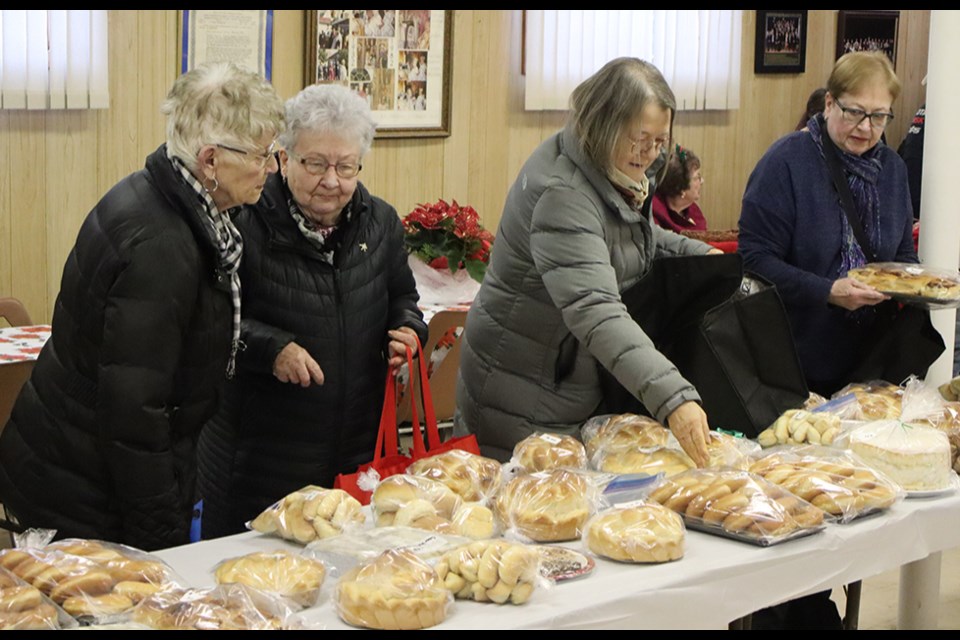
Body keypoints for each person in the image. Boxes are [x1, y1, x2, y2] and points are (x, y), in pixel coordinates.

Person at [0, 63, 285, 550]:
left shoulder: (164, 196)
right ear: (211, 160)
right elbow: (135, 413)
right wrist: (160, 540)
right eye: (262, 155)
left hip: (83, 463)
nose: (272, 168)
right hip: (83, 488)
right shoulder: (160, 248)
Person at [454, 57, 721, 468]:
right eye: (640, 139)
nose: (650, 153)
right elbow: (595, 309)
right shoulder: (564, 193)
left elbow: (635, 239)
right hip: (527, 386)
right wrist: (673, 396)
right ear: (605, 123)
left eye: (660, 141)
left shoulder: (614, 169)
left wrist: (705, 258)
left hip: (568, 376)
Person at [196, 84, 428, 539]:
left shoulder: (379, 222)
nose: (332, 180)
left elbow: (403, 297)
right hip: (258, 460)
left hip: (354, 454)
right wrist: (271, 348)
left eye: (346, 166)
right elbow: (208, 318)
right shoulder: (241, 221)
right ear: (282, 159)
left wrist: (407, 330)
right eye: (316, 164)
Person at [738, 51, 917, 629]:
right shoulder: (788, 161)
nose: (866, 129)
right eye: (853, 112)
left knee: (850, 510)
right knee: (788, 511)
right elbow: (754, 261)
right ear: (827, 103)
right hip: (792, 365)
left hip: (864, 369)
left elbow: (902, 257)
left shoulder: (891, 170)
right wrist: (828, 290)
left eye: (880, 116)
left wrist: (907, 285)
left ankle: (817, 610)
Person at [651, 145, 707, 232]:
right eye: (697, 178)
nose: (702, 181)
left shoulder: (693, 211)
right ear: (681, 189)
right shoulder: (654, 213)